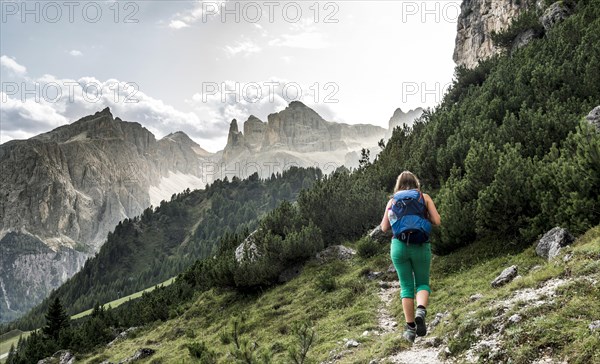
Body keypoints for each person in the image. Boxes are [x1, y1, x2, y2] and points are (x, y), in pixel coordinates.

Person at [380, 171, 441, 343]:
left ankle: (410, 329)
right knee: (422, 283)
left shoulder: (392, 200)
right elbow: (437, 221)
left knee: (406, 287)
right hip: (421, 245)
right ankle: (421, 310)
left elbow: (384, 227)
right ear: (416, 183)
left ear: (398, 185)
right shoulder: (424, 197)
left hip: (399, 247)